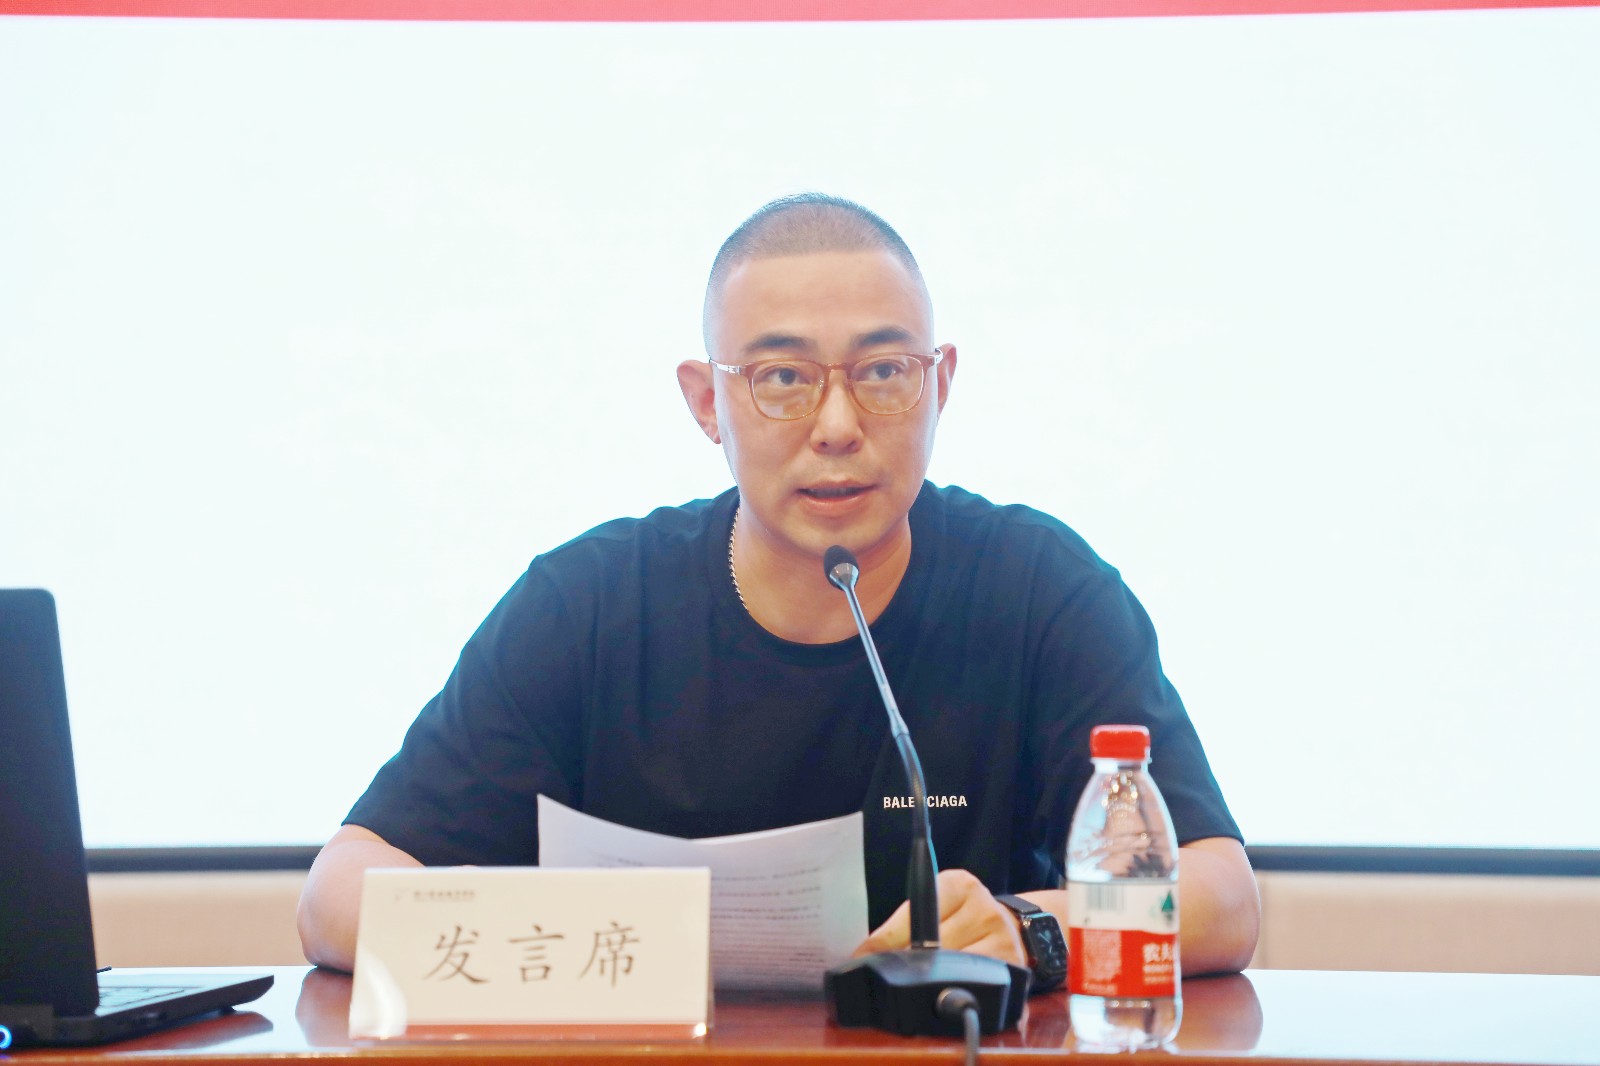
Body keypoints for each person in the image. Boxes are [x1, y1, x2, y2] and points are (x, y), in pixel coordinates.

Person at [296, 193, 1261, 980]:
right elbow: (339, 895)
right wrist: (578, 939)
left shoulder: (1040, 589)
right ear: (707, 402)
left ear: (940, 385)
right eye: (783, 378)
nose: (837, 425)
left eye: (884, 371)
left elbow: (1220, 896)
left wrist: (1031, 927)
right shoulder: (586, 606)